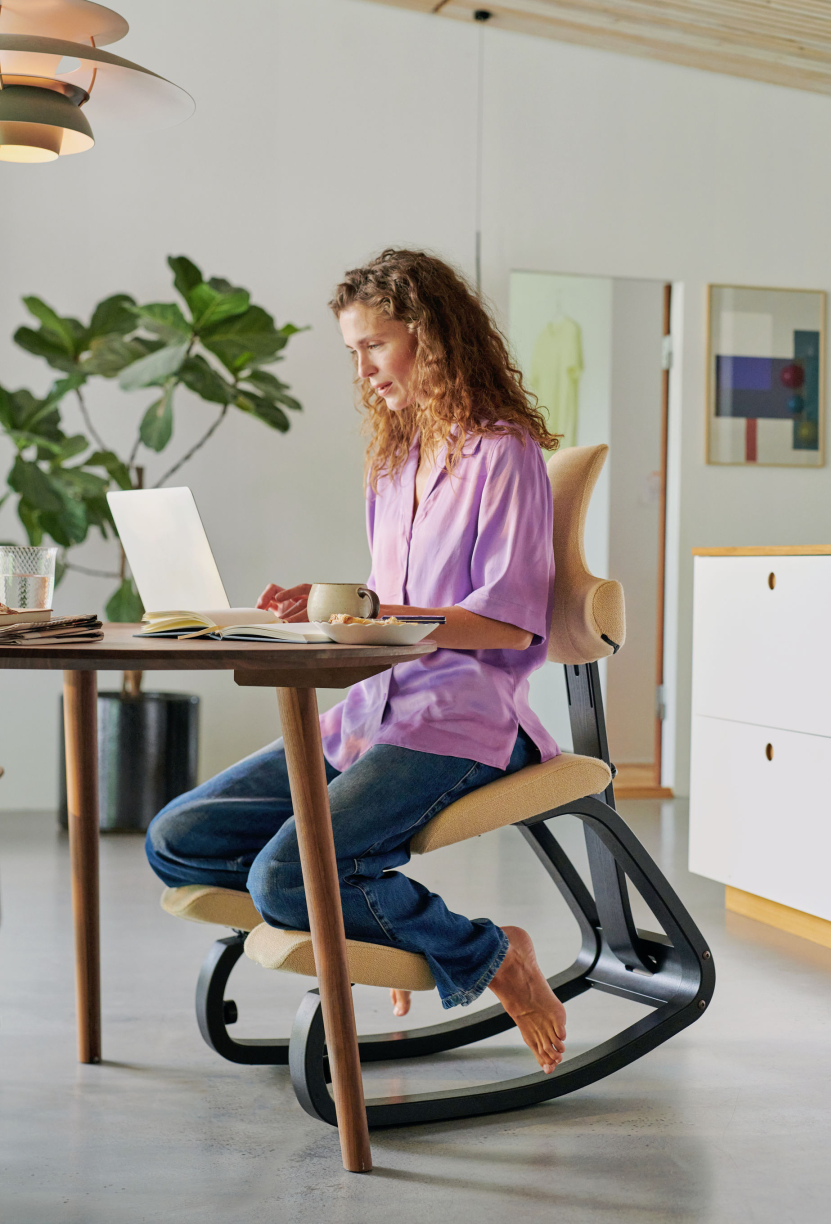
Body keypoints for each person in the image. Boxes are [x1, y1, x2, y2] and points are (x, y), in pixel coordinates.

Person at [146, 248, 567, 1074]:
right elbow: (387, 602)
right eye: (354, 352)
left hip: (460, 721)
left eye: (375, 345)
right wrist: (327, 609)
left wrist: (375, 613)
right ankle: (368, 908)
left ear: (431, 338)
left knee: (284, 883)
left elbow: (511, 625)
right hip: (372, 711)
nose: (364, 368)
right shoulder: (395, 459)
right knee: (176, 837)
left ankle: (494, 954)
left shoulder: (502, 451)